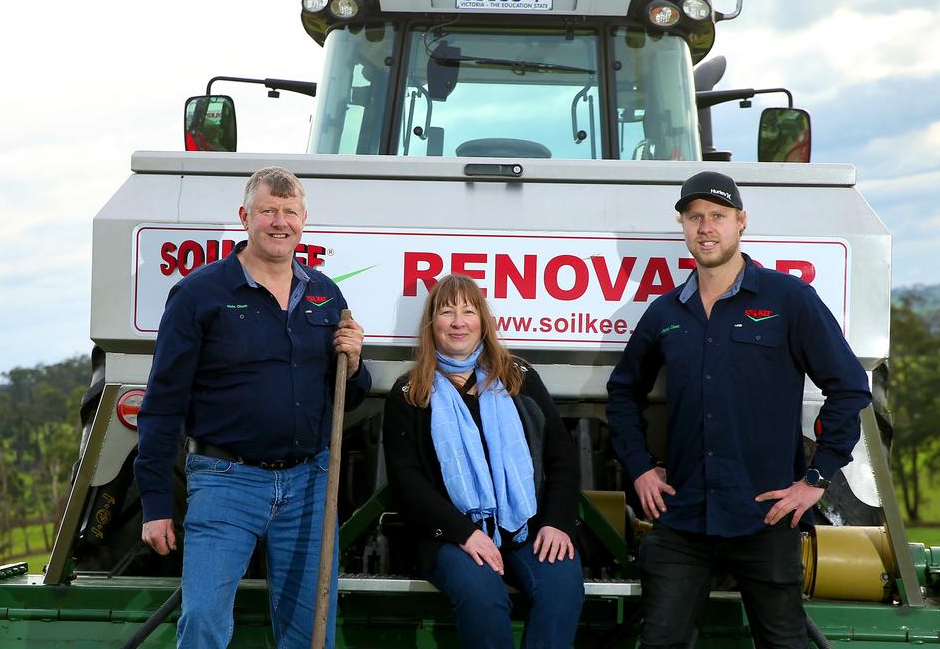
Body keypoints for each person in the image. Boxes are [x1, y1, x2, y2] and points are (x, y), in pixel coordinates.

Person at [606, 170, 871, 649]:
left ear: (741, 222)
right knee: (660, 642)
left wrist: (817, 479)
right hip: (683, 516)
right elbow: (623, 393)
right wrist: (641, 469)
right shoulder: (665, 313)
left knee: (783, 643)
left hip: (765, 516)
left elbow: (850, 387)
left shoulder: (788, 299)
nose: (706, 227)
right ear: (683, 226)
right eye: (695, 217)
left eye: (718, 216)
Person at [134, 166, 372, 649]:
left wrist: (354, 363)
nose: (279, 222)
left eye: (289, 212)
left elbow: (352, 393)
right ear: (244, 217)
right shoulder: (199, 294)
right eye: (268, 211)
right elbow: (161, 403)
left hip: (309, 483)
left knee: (310, 631)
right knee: (202, 619)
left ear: (304, 220)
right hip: (226, 482)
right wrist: (156, 503)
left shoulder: (326, 295)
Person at [384, 273, 584, 649]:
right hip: (452, 537)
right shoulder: (410, 392)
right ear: (432, 324)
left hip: (527, 528)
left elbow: (561, 458)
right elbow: (408, 483)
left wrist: (557, 523)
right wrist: (464, 533)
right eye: (447, 312)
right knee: (484, 598)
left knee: (562, 589)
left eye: (468, 311)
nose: (459, 322)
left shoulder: (518, 378)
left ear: (483, 321)